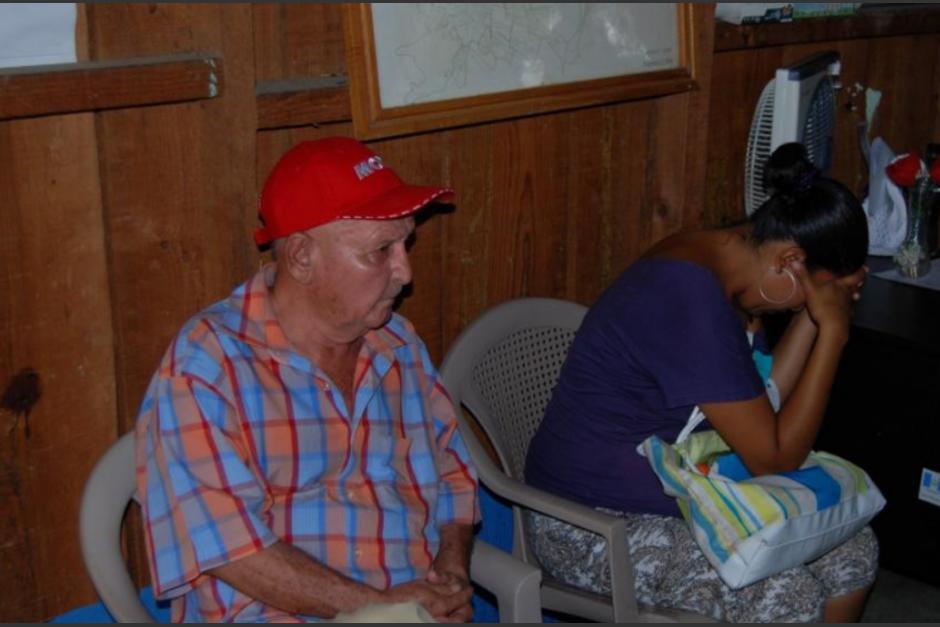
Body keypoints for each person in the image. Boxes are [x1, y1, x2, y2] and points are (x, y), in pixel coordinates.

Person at [524, 142, 878, 623]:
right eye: (801, 304)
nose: (793, 313)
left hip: (688, 491)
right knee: (786, 596)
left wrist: (818, 315)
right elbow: (774, 457)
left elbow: (765, 399)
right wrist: (833, 334)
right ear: (790, 260)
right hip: (588, 522)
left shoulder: (725, 263)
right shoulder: (690, 299)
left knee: (853, 550)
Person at [135, 137, 479, 623]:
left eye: (406, 243)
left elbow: (453, 477)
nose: (405, 271)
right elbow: (229, 548)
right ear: (300, 257)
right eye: (381, 251)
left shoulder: (399, 347)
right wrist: (382, 609)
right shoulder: (208, 366)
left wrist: (451, 568)